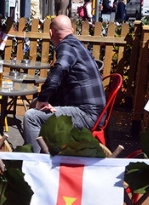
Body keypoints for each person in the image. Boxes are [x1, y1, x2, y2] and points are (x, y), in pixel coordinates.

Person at [22, 15, 106, 152]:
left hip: (87, 114)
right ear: (72, 30)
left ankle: (34, 165)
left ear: (51, 33)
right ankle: (47, 151)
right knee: (35, 105)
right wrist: (43, 101)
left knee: (31, 117)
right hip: (93, 111)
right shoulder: (78, 45)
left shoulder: (67, 46)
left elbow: (59, 69)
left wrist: (43, 99)